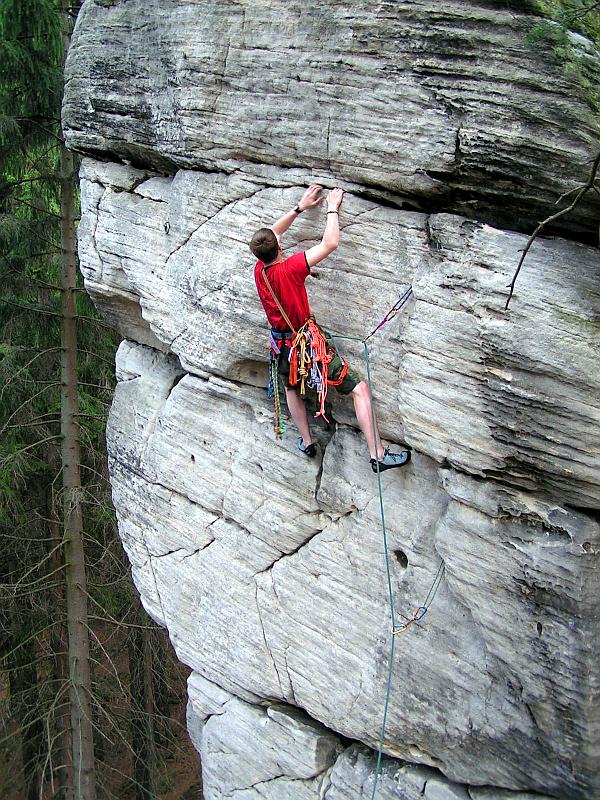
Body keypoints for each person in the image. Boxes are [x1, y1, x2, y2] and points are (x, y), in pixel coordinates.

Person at [251, 184, 410, 473]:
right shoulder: (291, 268)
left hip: (281, 346)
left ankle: (307, 440)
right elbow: (329, 244)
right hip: (307, 345)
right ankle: (377, 455)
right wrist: (332, 207)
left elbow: (272, 234)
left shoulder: (259, 270)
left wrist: (300, 208)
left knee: (290, 388)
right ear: (280, 247)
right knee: (359, 389)